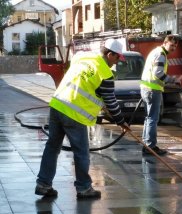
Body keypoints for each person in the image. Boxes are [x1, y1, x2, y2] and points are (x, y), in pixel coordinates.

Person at [35, 39, 129, 199]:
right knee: (81, 152)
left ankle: (43, 184)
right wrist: (121, 121)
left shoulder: (83, 57)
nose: (117, 61)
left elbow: (85, 82)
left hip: (57, 105)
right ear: (110, 53)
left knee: (52, 147)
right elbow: (111, 102)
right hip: (74, 114)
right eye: (117, 57)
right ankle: (84, 188)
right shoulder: (105, 74)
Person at [140, 35, 180, 156]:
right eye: (171, 45)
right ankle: (150, 146)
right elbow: (158, 73)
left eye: (175, 46)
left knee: (148, 118)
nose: (173, 48)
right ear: (165, 43)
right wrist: (172, 80)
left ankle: (146, 144)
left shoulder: (156, 52)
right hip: (152, 89)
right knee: (153, 118)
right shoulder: (161, 54)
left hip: (147, 88)